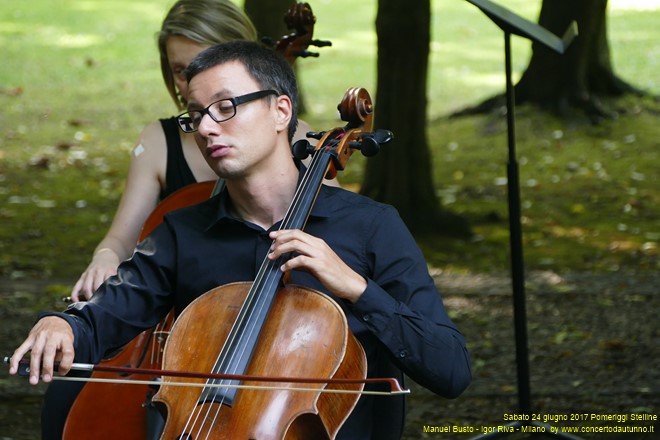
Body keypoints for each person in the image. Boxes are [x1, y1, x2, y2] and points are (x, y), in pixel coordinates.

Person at [10, 40, 471, 439]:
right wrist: (64, 324)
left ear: (280, 110)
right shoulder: (183, 232)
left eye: (226, 107)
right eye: (195, 116)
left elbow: (450, 370)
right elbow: (105, 317)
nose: (207, 127)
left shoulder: (372, 227)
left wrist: (356, 288)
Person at [70, 0, 324, 302]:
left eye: (207, 61)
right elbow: (121, 239)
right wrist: (106, 256)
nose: (193, 80)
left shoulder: (302, 137)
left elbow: (340, 230)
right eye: (180, 70)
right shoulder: (157, 142)